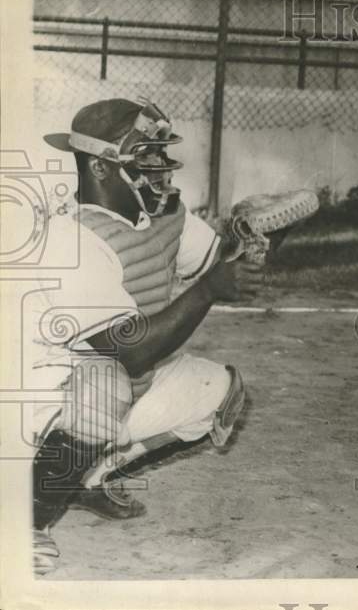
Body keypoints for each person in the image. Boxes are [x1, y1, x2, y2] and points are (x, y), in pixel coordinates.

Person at [29, 98, 262, 575]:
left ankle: (88, 476)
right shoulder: (70, 239)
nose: (160, 167)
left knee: (219, 391)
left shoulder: (161, 213)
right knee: (104, 387)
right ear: (100, 165)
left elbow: (219, 269)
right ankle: (24, 522)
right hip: (34, 404)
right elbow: (131, 352)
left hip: (105, 383)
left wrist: (250, 243)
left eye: (160, 153)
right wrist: (208, 290)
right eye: (145, 155)